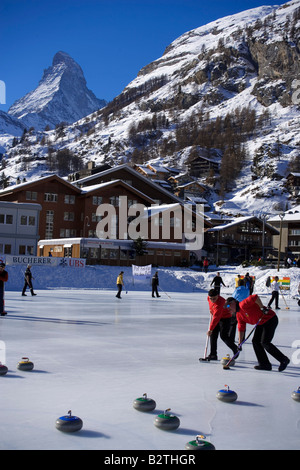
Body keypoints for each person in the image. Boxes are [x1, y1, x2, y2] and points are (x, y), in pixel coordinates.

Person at [226, 294, 289, 372]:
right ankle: (264, 364)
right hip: (261, 323)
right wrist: (239, 343)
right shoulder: (239, 315)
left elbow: (255, 297)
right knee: (255, 341)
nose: (228, 309)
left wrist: (262, 307)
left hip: (270, 319)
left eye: (228, 306)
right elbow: (241, 329)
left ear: (233, 303)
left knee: (265, 342)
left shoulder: (243, 304)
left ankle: (283, 359)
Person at [205, 288, 239, 361]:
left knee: (223, 336)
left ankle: (235, 348)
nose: (212, 300)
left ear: (218, 296)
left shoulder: (220, 303)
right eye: (211, 298)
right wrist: (211, 309)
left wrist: (210, 329)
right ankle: (213, 354)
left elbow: (216, 318)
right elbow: (210, 304)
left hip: (225, 318)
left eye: (214, 298)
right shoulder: (209, 298)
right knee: (213, 335)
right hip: (217, 316)